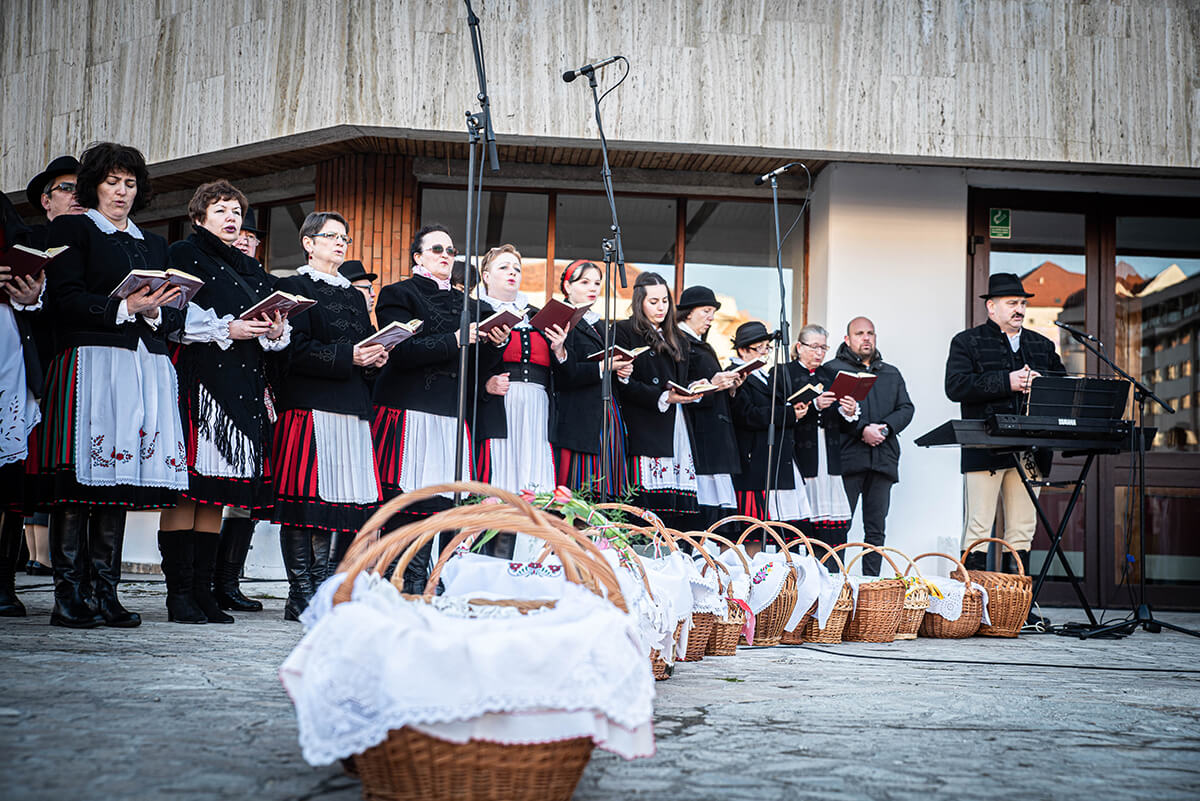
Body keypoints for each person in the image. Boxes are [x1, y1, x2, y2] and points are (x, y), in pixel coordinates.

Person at [39, 142, 189, 628]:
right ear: (94, 185)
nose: (121, 192)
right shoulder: (72, 228)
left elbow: (167, 314)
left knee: (116, 481)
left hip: (141, 364)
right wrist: (125, 308)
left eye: (129, 183)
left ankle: (105, 591)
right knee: (81, 479)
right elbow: (63, 298)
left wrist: (165, 306)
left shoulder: (155, 243)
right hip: (91, 362)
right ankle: (69, 595)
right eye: (112, 182)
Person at [157, 180, 288, 623]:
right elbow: (172, 320)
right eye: (221, 211)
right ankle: (179, 595)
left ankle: (204, 591)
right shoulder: (183, 253)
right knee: (190, 490)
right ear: (199, 218)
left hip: (243, 383)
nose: (232, 218)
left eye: (236, 211)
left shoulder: (252, 268)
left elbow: (272, 324)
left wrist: (273, 330)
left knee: (216, 492)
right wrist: (225, 329)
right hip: (201, 383)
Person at [369, 224, 507, 591]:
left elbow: (480, 370)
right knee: (405, 499)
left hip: (450, 412)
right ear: (418, 257)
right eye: (437, 250)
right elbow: (400, 351)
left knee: (443, 502)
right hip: (410, 407)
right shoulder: (398, 293)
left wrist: (495, 343)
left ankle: (424, 579)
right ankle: (392, 580)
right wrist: (456, 339)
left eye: (450, 250)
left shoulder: (473, 305)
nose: (446, 256)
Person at [269, 212, 386, 620]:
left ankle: (323, 589)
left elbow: (362, 345)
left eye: (345, 238)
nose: (340, 243)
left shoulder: (354, 296)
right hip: (309, 404)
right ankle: (300, 594)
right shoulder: (291, 287)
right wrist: (347, 356)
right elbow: (291, 349)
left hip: (352, 405)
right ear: (308, 242)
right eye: (331, 236)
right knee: (306, 506)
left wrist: (373, 356)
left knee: (343, 505)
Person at [945, 273, 1065, 596]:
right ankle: (970, 603)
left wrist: (1040, 385)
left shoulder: (1042, 345)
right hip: (985, 445)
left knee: (1023, 529)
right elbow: (955, 387)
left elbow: (1061, 389)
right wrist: (1007, 381)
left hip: (1031, 448)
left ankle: (1015, 607)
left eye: (1023, 303)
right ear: (991, 307)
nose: (1020, 309)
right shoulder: (966, 342)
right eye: (1012, 303)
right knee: (978, 527)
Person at [476, 245, 568, 504]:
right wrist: (485, 383)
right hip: (502, 403)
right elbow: (464, 365)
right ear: (486, 275)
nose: (512, 273)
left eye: (516, 268)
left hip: (538, 404)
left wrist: (559, 348)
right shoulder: (477, 312)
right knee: (501, 474)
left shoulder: (538, 315)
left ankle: (532, 540)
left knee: (536, 476)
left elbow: (561, 373)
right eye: (503, 267)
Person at [212, 203, 270, 613]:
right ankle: (208, 582)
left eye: (252, 238)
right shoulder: (214, 269)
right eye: (241, 235)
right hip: (218, 384)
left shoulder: (260, 279)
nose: (246, 241)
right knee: (215, 487)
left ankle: (229, 580)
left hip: (260, 388)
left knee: (245, 492)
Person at [613, 273, 702, 531]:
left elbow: (684, 378)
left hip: (675, 422)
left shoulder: (678, 337)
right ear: (640, 301)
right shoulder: (625, 330)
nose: (661, 307)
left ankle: (671, 558)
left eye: (665, 300)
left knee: (675, 504)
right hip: (645, 421)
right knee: (646, 506)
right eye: (653, 301)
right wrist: (662, 396)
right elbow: (622, 383)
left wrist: (695, 388)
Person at [827, 317, 913, 576]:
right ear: (847, 339)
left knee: (876, 530)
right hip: (847, 460)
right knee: (839, 527)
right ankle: (834, 587)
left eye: (870, 333)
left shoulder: (890, 372)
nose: (866, 338)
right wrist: (861, 428)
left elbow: (906, 408)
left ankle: (871, 586)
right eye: (859, 333)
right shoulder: (833, 370)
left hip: (882, 460)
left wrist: (884, 428)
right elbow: (830, 413)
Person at [550, 260, 632, 498]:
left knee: (606, 488)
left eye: (597, 283)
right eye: (584, 282)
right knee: (581, 488)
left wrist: (622, 372)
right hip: (578, 414)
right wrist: (603, 366)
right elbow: (564, 373)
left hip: (606, 411)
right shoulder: (561, 318)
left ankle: (601, 535)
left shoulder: (600, 322)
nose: (593, 288)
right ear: (567, 286)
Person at [727, 321, 811, 550]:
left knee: (778, 527)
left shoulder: (765, 376)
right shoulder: (736, 375)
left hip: (772, 460)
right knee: (753, 531)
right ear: (743, 350)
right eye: (760, 348)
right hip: (754, 459)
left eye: (767, 347)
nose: (765, 352)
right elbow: (747, 414)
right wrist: (788, 413)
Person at [0, 191, 45, 616]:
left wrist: (28, 290)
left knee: (6, 480)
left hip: (7, 346)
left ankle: (3, 583)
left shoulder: (3, 209)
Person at [787, 324, 859, 557]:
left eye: (824, 348)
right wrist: (814, 406)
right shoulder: (784, 373)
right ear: (800, 347)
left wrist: (849, 411)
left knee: (831, 525)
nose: (819, 353)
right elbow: (779, 415)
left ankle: (830, 571)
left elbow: (846, 426)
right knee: (802, 519)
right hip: (799, 454)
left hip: (829, 455)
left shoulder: (830, 376)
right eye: (814, 347)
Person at [675, 286, 741, 529]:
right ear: (688, 313)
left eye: (712, 312)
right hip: (700, 432)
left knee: (720, 517)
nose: (711, 317)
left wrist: (729, 385)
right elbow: (679, 386)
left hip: (716, 431)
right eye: (706, 311)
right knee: (702, 512)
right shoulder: (680, 342)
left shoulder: (701, 344)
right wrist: (712, 385)